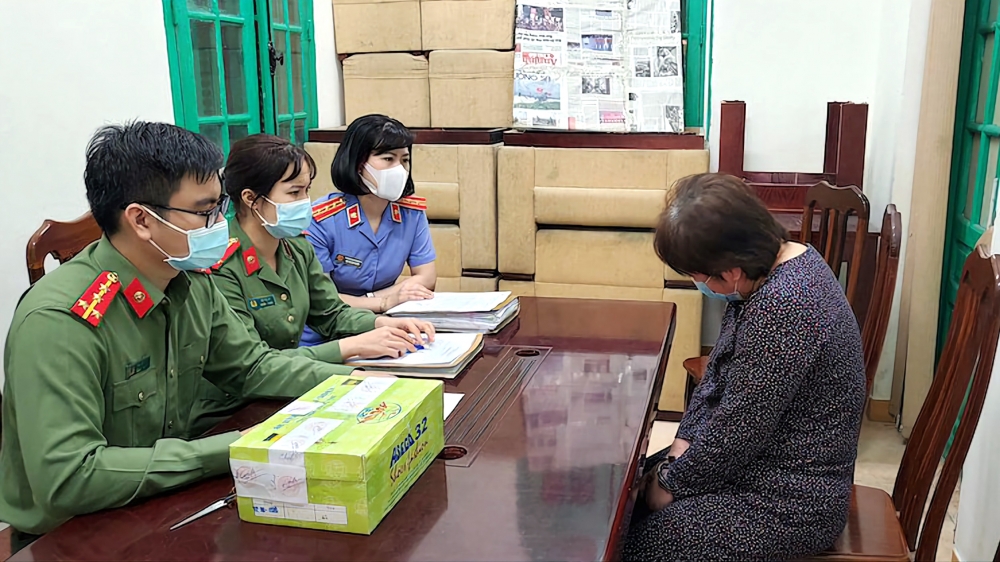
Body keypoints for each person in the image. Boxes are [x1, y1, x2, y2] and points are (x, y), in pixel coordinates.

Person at [0, 122, 364, 550]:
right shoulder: (62, 320)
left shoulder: (189, 281)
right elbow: (70, 477)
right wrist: (233, 447)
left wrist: (357, 381)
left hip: (164, 502)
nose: (220, 224)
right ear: (141, 220)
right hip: (75, 536)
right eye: (205, 211)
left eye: (219, 206)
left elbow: (251, 367)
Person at [624, 173, 865, 561]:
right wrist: (682, 445)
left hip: (793, 497)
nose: (698, 283)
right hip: (761, 462)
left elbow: (741, 426)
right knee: (625, 493)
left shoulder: (783, 306)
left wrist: (672, 481)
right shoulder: (770, 269)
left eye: (697, 275)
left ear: (730, 271)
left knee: (640, 542)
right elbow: (717, 375)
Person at [197, 134, 435, 424]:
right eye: (294, 193)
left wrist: (382, 324)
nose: (305, 203)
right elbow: (255, 366)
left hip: (289, 392)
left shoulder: (296, 247)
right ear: (251, 199)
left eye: (307, 190)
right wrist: (353, 350)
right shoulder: (220, 266)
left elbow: (331, 314)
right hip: (232, 411)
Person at [300, 114, 436, 347]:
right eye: (388, 158)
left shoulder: (411, 213)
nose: (399, 169)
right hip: (325, 336)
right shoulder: (320, 219)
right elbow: (323, 300)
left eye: (404, 160)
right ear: (358, 163)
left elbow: (426, 278)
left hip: (387, 326)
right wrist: (384, 301)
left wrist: (383, 303)